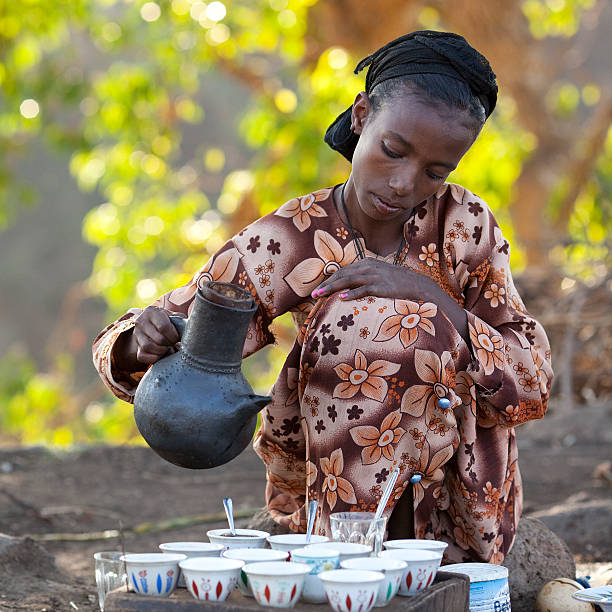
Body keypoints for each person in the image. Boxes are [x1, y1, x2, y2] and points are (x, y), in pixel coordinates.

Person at [92, 31, 553, 564]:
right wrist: (138, 346)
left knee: (405, 327)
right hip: (324, 505)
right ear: (361, 116)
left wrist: (436, 303)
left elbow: (533, 382)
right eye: (393, 150)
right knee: (363, 327)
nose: (405, 183)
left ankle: (417, 560)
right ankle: (354, 561)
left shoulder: (465, 225)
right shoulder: (290, 239)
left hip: (461, 504)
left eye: (436, 171)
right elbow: (165, 345)